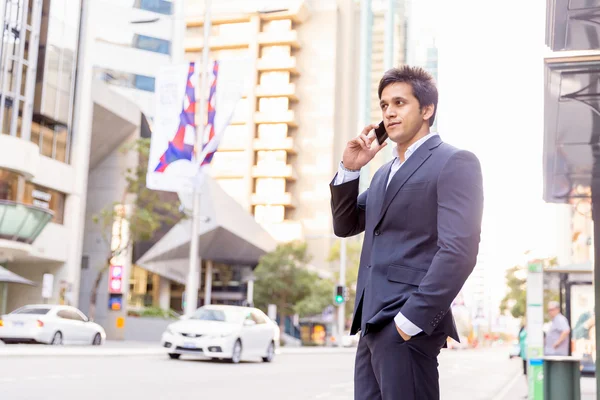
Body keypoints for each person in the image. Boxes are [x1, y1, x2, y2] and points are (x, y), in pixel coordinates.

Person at [330, 65, 483, 400]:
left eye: (399, 103)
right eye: (384, 105)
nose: (389, 113)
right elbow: (345, 225)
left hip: (406, 325)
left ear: (426, 109)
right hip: (371, 325)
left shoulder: (454, 162)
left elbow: (459, 250)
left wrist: (411, 321)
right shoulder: (384, 173)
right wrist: (350, 169)